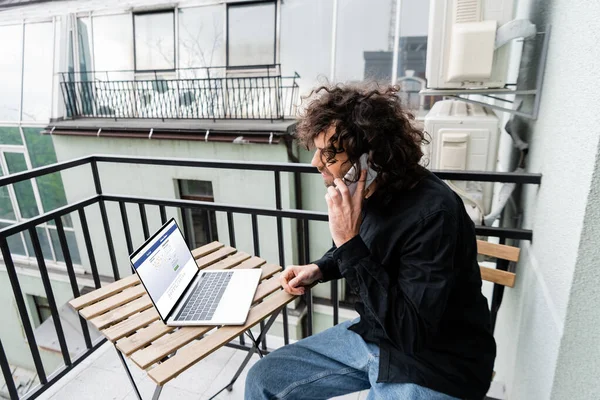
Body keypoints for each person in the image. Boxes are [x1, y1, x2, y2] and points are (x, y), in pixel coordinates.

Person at [245, 84, 496, 400]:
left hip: (435, 364)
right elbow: (365, 248)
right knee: (263, 379)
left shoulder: (434, 214)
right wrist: (320, 268)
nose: (315, 164)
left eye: (329, 154)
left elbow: (411, 332)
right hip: (376, 335)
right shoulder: (370, 191)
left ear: (369, 160)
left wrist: (348, 240)